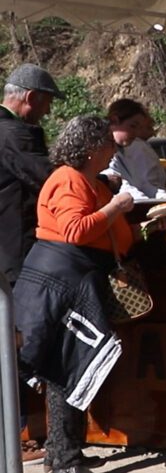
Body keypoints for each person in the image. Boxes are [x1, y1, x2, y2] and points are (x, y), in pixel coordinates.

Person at [14, 116, 139, 473]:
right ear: (92, 147)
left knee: (64, 370)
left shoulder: (86, 180)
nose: (112, 151)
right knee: (64, 369)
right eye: (108, 145)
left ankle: (62, 455)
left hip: (69, 280)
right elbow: (76, 230)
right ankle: (64, 457)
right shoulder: (69, 179)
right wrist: (118, 205)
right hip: (61, 281)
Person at [0, 62, 61, 464]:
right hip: (15, 251)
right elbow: (46, 178)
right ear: (30, 98)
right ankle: (20, 432)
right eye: (45, 104)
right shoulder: (17, 132)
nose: (47, 113)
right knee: (21, 339)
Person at [106, 99, 166, 200]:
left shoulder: (127, 150)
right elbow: (122, 186)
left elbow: (143, 184)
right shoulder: (100, 150)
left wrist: (165, 198)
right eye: (133, 126)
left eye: (139, 128)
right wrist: (145, 201)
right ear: (115, 120)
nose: (136, 133)